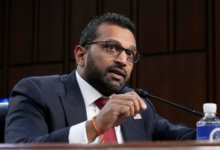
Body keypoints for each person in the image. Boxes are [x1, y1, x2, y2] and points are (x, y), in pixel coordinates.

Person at [5, 13, 196, 143]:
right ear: (81, 55)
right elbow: (21, 146)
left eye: (130, 54)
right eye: (112, 47)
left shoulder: (138, 106)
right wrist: (96, 125)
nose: (123, 60)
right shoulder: (37, 92)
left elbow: (181, 137)